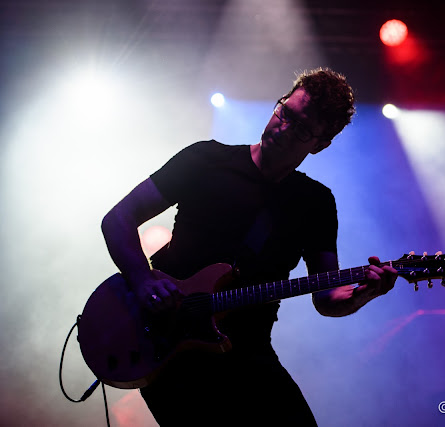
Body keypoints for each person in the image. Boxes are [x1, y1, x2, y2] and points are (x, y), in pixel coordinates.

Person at [100, 68, 398, 426]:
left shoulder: (316, 203)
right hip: (167, 346)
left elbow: (327, 296)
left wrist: (365, 293)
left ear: (320, 144)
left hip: (247, 353)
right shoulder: (206, 159)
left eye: (301, 129)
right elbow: (118, 218)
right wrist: (143, 279)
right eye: (284, 113)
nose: (283, 129)